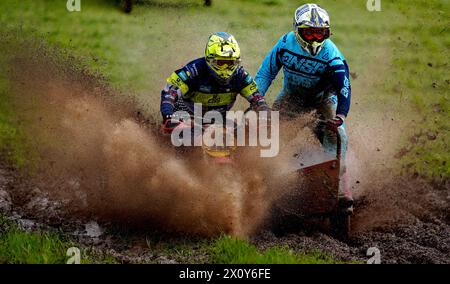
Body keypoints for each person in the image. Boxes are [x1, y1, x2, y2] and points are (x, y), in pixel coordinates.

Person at [254, 3, 353, 212]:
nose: (315, 39)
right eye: (309, 34)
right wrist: (257, 101)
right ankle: (262, 181)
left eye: (320, 34)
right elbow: (265, 73)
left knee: (338, 137)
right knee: (270, 135)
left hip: (322, 101)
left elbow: (344, 87)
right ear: (297, 31)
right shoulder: (284, 44)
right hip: (290, 98)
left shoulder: (332, 55)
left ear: (327, 33)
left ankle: (342, 190)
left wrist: (341, 116)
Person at [160, 32, 268, 130]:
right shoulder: (194, 70)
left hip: (218, 121)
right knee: (189, 140)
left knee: (246, 137)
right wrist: (168, 115)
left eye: (230, 63)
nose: (226, 68)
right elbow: (170, 93)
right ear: (210, 59)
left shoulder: (240, 75)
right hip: (186, 117)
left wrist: (265, 112)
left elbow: (257, 99)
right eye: (221, 62)